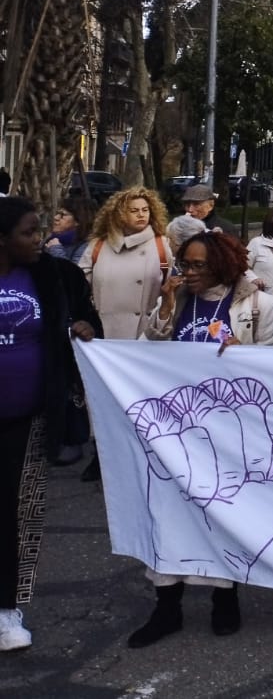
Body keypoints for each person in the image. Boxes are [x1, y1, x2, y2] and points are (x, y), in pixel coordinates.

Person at [130, 229, 273, 647]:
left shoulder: (257, 304)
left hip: (226, 434)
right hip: (175, 431)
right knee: (168, 515)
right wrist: (164, 304)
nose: (190, 272)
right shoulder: (177, 297)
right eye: (186, 264)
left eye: (199, 265)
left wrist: (245, 353)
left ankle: (225, 599)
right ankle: (166, 608)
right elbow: (147, 348)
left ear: (221, 264)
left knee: (223, 514)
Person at [0, 197, 101, 652]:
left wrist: (84, 327)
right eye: (26, 232)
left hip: (28, 417)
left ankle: (5, 609)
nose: (38, 239)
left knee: (14, 512)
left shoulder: (56, 276)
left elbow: (89, 320)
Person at [81, 187, 172, 342]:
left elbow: (169, 289)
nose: (141, 214)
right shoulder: (98, 245)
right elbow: (79, 288)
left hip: (143, 335)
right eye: (134, 210)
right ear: (120, 215)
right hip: (102, 333)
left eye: (145, 210)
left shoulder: (161, 245)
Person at [43, 196, 97, 266]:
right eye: (57, 213)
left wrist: (55, 249)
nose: (56, 217)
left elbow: (73, 274)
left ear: (78, 221)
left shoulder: (86, 246)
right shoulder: (51, 238)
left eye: (63, 215)